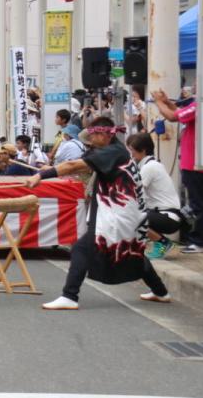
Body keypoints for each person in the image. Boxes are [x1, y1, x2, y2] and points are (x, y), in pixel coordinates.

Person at [27, 116, 169, 310]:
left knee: (81, 248)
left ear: (103, 135)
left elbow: (73, 165)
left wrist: (41, 175)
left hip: (119, 215)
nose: (90, 142)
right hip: (129, 213)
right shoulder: (117, 151)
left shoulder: (111, 152)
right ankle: (160, 291)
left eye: (92, 137)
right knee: (131, 251)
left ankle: (70, 296)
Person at [152, 88, 203, 253]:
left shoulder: (201, 104)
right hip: (196, 163)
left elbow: (173, 117)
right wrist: (167, 103)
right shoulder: (202, 105)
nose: (193, 90)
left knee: (199, 204)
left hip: (195, 163)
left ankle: (201, 241)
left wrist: (158, 102)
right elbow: (181, 113)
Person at [126, 132, 185, 260]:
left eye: (132, 150)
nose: (131, 154)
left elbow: (134, 192)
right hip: (163, 215)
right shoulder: (150, 165)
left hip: (168, 217)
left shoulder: (150, 167)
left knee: (131, 215)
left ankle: (164, 243)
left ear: (143, 150)